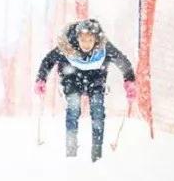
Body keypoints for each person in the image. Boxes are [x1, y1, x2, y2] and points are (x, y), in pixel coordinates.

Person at [34, 18, 137, 162]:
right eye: (83, 40)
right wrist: (41, 79)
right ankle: (71, 152)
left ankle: (97, 155)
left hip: (96, 80)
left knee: (97, 111)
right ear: (77, 38)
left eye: (90, 40)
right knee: (74, 109)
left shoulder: (104, 48)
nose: (86, 44)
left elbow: (123, 62)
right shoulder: (67, 47)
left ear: (96, 39)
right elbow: (48, 60)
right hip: (72, 79)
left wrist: (129, 81)